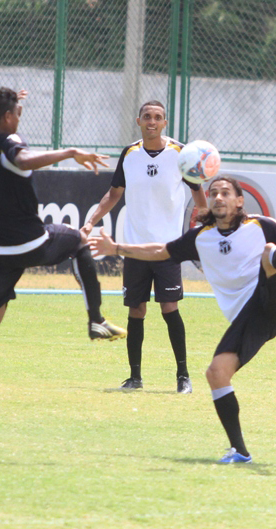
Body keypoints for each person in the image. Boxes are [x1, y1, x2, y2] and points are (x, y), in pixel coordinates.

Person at [89, 175, 276, 463]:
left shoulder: (260, 226)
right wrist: (116, 248)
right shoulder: (200, 238)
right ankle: (240, 451)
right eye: (214, 193)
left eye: (226, 193)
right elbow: (160, 251)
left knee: (270, 251)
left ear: (239, 201)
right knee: (216, 374)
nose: (218, 197)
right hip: (250, 317)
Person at [0, 87, 127, 451]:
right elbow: (24, 157)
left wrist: (11, 98)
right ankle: (95, 320)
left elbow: (1, 128)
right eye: (17, 110)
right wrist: (70, 152)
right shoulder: (9, 144)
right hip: (28, 241)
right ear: (9, 117)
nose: (20, 115)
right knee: (78, 240)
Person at [81, 100, 207, 394]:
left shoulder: (180, 154)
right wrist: (91, 221)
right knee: (136, 310)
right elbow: (113, 195)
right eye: (147, 117)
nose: (152, 121)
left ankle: (183, 377)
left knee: (169, 308)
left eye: (158, 118)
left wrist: (203, 227)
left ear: (165, 123)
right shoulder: (130, 154)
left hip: (167, 249)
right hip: (133, 247)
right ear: (138, 121)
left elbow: (199, 198)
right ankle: (135, 378)